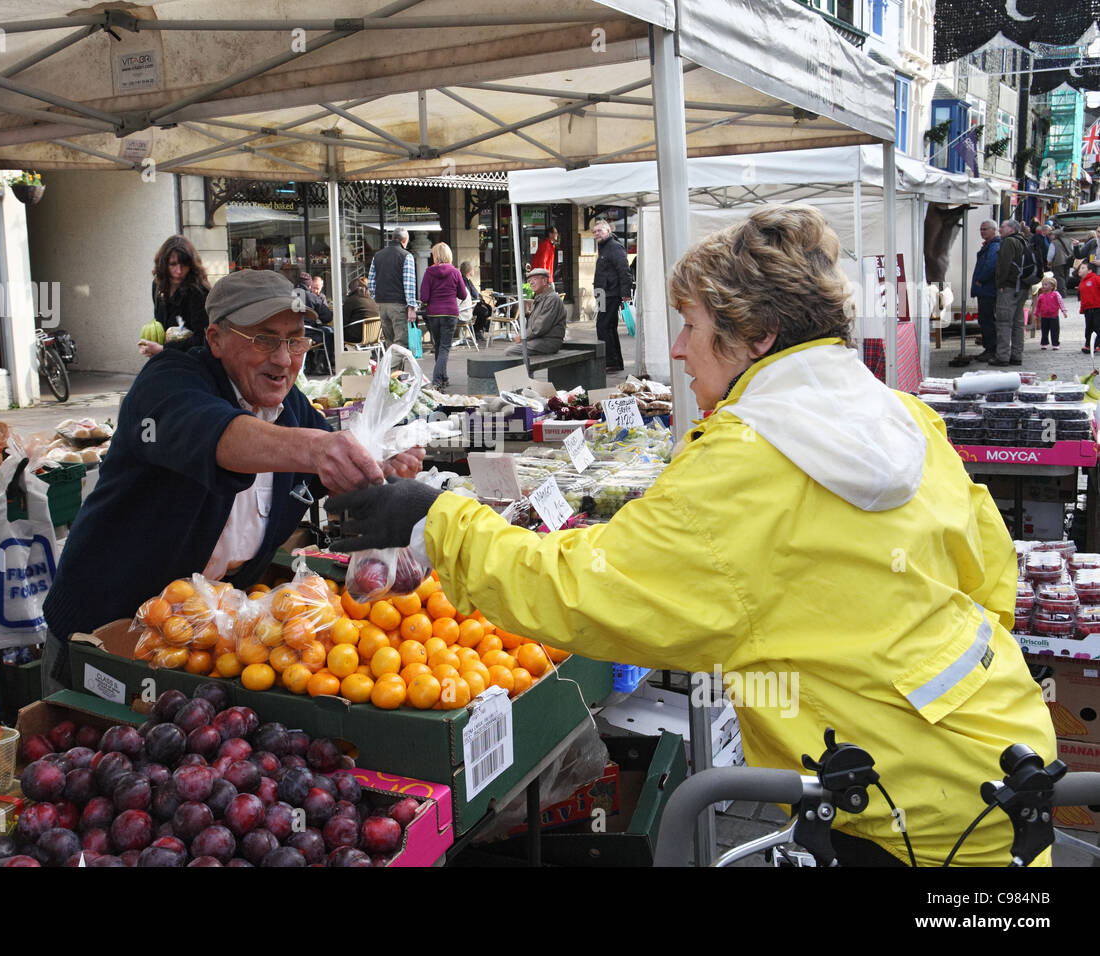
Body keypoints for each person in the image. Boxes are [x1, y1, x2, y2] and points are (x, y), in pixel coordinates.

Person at [327, 206, 1055, 867]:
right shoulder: (898, 414)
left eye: (693, 323)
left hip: (902, 820)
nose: (677, 349)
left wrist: (434, 518)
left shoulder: (747, 461)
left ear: (757, 335)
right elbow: (991, 577)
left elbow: (582, 590)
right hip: (1002, 762)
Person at [42, 269, 424, 693]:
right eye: (264, 339)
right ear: (216, 338)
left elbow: (327, 481)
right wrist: (317, 449)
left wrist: (376, 474)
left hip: (203, 644)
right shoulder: (168, 383)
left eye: (295, 340)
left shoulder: (290, 406)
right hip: (104, 633)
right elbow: (219, 435)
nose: (283, 359)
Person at [139, 236, 210, 357]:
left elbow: (203, 339)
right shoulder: (157, 286)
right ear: (163, 264)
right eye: (173, 264)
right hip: (166, 358)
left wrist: (162, 349)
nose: (179, 271)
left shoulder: (198, 291)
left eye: (184, 264)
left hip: (192, 362)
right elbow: (160, 323)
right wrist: (151, 345)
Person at [418, 242, 468, 390]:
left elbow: (424, 297)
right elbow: (463, 294)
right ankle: (437, 380)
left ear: (434, 256)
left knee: (438, 346)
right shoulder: (455, 272)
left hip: (433, 314)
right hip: (450, 313)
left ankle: (443, 377)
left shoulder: (428, 272)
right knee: (444, 348)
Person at [367, 226, 418, 350]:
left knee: (390, 343)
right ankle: (391, 369)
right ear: (404, 240)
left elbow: (371, 283)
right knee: (401, 344)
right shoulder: (406, 256)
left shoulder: (377, 256)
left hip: (382, 304)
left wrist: (377, 298)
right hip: (398, 305)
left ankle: (393, 369)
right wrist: (411, 307)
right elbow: (409, 284)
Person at [592, 217, 632, 373]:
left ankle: (610, 361)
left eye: (600, 231)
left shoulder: (614, 247)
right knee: (607, 327)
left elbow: (624, 270)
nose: (597, 234)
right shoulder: (603, 247)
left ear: (608, 231)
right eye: (595, 231)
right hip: (602, 293)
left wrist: (625, 293)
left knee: (603, 326)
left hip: (610, 293)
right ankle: (614, 361)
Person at [991, 219, 1029, 367]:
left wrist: (1000, 284)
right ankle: (1016, 355)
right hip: (1023, 287)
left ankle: (1002, 356)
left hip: (1009, 287)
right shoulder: (1024, 240)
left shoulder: (1008, 242)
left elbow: (1004, 264)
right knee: (1019, 323)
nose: (999, 229)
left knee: (1004, 322)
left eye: (1002, 227)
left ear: (1011, 229)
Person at [507, 267, 566, 356]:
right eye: (529, 280)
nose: (531, 282)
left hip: (548, 341)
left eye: (535, 279)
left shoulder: (552, 299)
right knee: (513, 349)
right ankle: (527, 369)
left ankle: (527, 369)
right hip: (539, 339)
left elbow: (541, 326)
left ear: (544, 281)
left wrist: (524, 336)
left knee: (510, 352)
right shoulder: (540, 297)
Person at [969, 220, 1000, 361]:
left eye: (985, 229)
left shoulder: (994, 246)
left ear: (994, 230)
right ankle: (989, 348)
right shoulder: (989, 246)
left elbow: (990, 265)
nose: (982, 232)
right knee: (985, 320)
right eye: (981, 229)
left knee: (987, 320)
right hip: (985, 289)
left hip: (987, 289)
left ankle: (991, 349)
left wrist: (980, 279)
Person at [341, 276, 379, 344]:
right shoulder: (373, 301)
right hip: (374, 336)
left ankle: (332, 354)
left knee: (333, 334)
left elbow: (343, 321)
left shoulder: (351, 301)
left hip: (356, 336)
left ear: (352, 289)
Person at [1034, 274, 1064, 350]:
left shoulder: (1055, 294)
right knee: (1044, 330)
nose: (1043, 286)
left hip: (1054, 316)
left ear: (1052, 286)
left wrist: (1064, 311)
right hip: (1044, 316)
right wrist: (1036, 314)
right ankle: (1044, 343)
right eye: (1042, 284)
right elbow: (1038, 306)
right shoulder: (1041, 296)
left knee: (1055, 331)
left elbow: (1061, 302)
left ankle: (1055, 344)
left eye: (1045, 284)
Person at [1079, 260, 1100, 352]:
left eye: (1083, 268)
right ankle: (1088, 345)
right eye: (1080, 268)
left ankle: (1098, 345)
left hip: (1097, 308)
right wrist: (1082, 308)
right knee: (1089, 328)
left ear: (1090, 271)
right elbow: (1083, 298)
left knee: (1097, 327)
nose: (1080, 269)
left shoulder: (1096, 279)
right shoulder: (1081, 283)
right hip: (1087, 309)